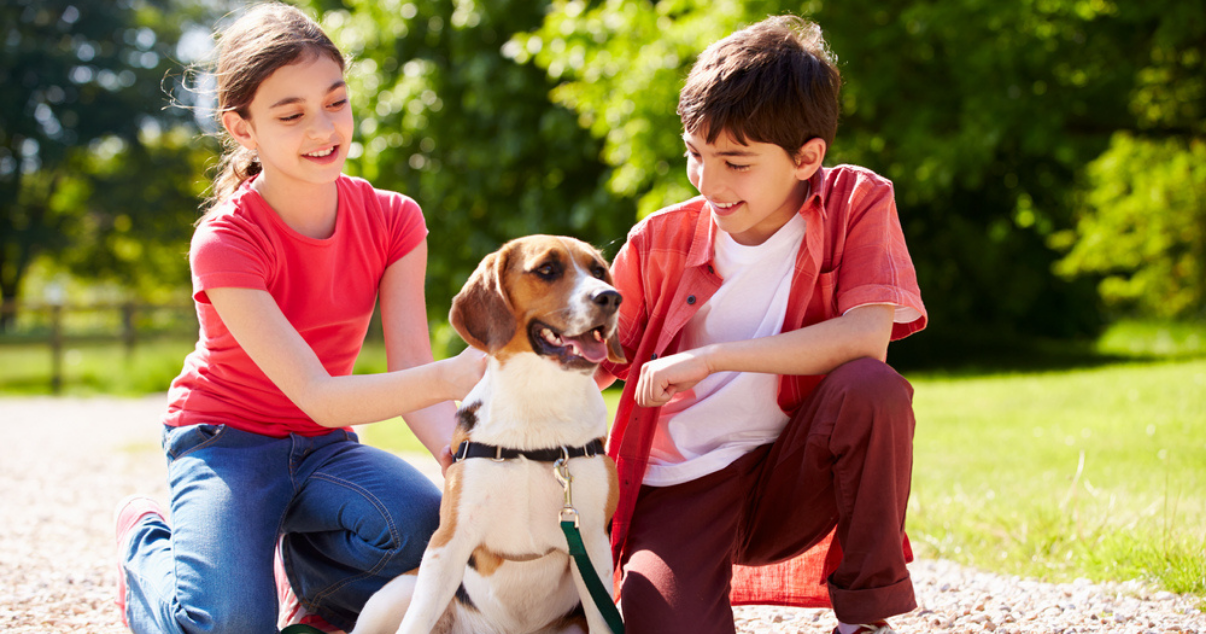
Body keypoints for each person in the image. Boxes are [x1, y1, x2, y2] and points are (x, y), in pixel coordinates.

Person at [112, 4, 485, 633]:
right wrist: (457, 376)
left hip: (324, 450)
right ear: (242, 127)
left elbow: (412, 376)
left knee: (425, 530)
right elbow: (318, 395)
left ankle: (314, 595)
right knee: (229, 624)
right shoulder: (225, 240)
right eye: (291, 114)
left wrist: (462, 459)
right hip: (224, 444)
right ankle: (143, 555)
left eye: (335, 102)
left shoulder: (396, 220)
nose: (323, 127)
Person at [596, 15, 928, 634]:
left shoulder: (857, 203)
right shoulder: (657, 241)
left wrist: (714, 357)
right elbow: (590, 364)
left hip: (791, 475)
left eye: (736, 163)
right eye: (695, 155)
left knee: (871, 391)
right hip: (681, 483)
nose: (708, 182)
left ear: (807, 158)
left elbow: (865, 340)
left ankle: (865, 617)